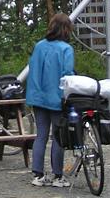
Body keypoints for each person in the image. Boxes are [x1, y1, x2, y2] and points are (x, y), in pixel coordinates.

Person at [26, 12, 74, 188]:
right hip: (57, 99)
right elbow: (67, 76)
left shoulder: (39, 46)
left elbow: (33, 71)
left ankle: (37, 174)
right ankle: (57, 176)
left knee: (41, 136)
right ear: (66, 29)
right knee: (58, 137)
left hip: (38, 98)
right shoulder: (66, 49)